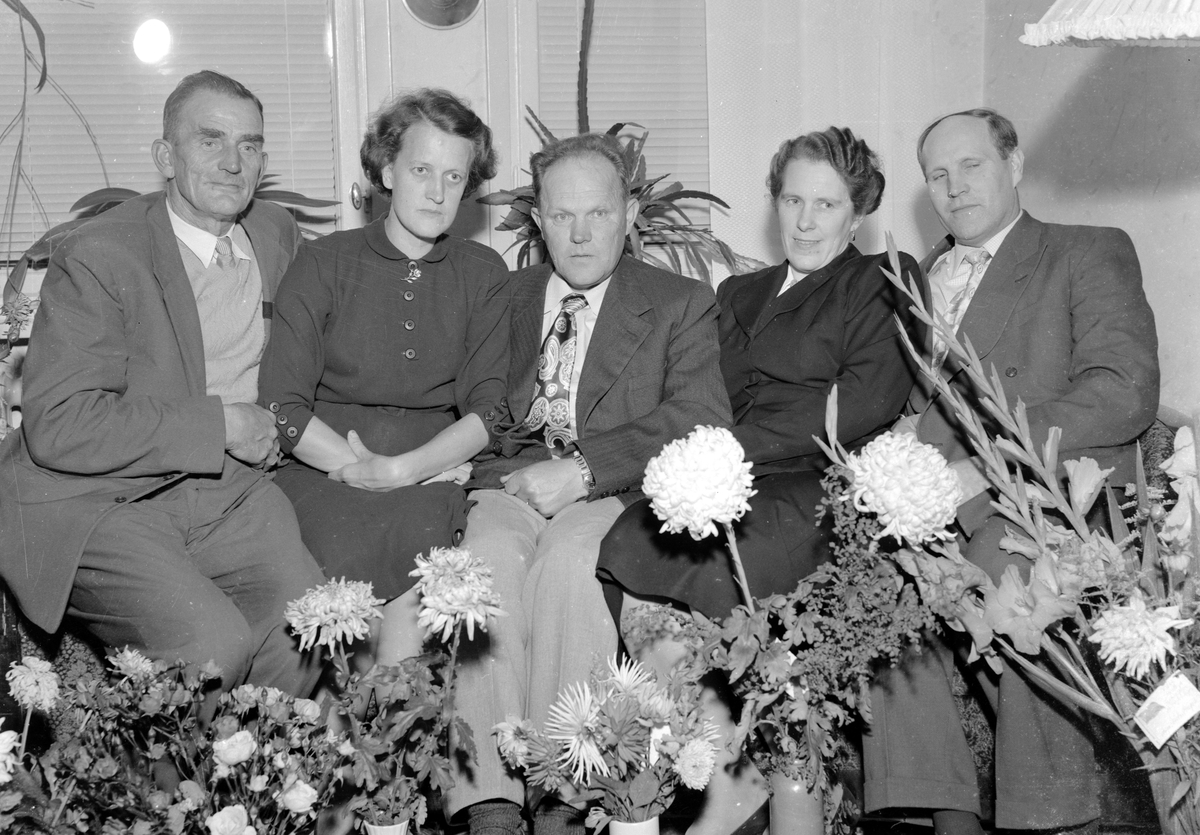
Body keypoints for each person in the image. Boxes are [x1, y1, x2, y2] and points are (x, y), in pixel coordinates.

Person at [597, 126, 922, 835]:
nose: (805, 220)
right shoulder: (739, 290)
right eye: (792, 199)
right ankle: (708, 761)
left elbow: (864, 402)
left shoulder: (882, 280)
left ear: (858, 212)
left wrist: (724, 449)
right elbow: (700, 390)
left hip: (816, 483)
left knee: (722, 563)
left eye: (827, 204)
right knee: (630, 539)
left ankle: (730, 794)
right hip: (726, 476)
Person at [861, 109, 1159, 834]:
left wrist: (984, 462)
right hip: (933, 495)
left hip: (1041, 489)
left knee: (1011, 577)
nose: (954, 187)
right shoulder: (910, 278)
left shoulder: (1085, 250)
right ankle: (942, 814)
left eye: (973, 165)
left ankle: (1049, 821)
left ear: (1015, 165)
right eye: (937, 174)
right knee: (864, 573)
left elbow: (1124, 389)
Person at [0, 70, 324, 701]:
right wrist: (223, 423)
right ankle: (177, 771)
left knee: (308, 627)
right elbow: (61, 424)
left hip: (231, 491)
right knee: (208, 648)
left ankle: (268, 767)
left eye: (251, 145)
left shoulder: (274, 233)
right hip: (105, 496)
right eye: (210, 140)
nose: (233, 163)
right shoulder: (101, 253)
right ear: (165, 157)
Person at [446, 132, 732, 835]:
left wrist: (581, 469)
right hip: (510, 480)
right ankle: (489, 801)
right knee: (485, 563)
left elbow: (699, 415)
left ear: (629, 214)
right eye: (562, 215)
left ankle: (562, 795)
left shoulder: (679, 301)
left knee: (574, 565)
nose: (580, 234)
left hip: (610, 489)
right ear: (538, 220)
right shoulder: (507, 296)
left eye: (598, 213)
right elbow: (476, 397)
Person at [257, 88, 509, 667]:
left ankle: (394, 714)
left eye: (454, 176)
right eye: (421, 170)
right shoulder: (324, 262)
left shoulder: (482, 273)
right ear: (388, 171)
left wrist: (401, 471)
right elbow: (282, 405)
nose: (437, 191)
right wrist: (361, 470)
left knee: (417, 557)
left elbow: (490, 409)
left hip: (430, 473)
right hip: (323, 473)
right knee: (335, 606)